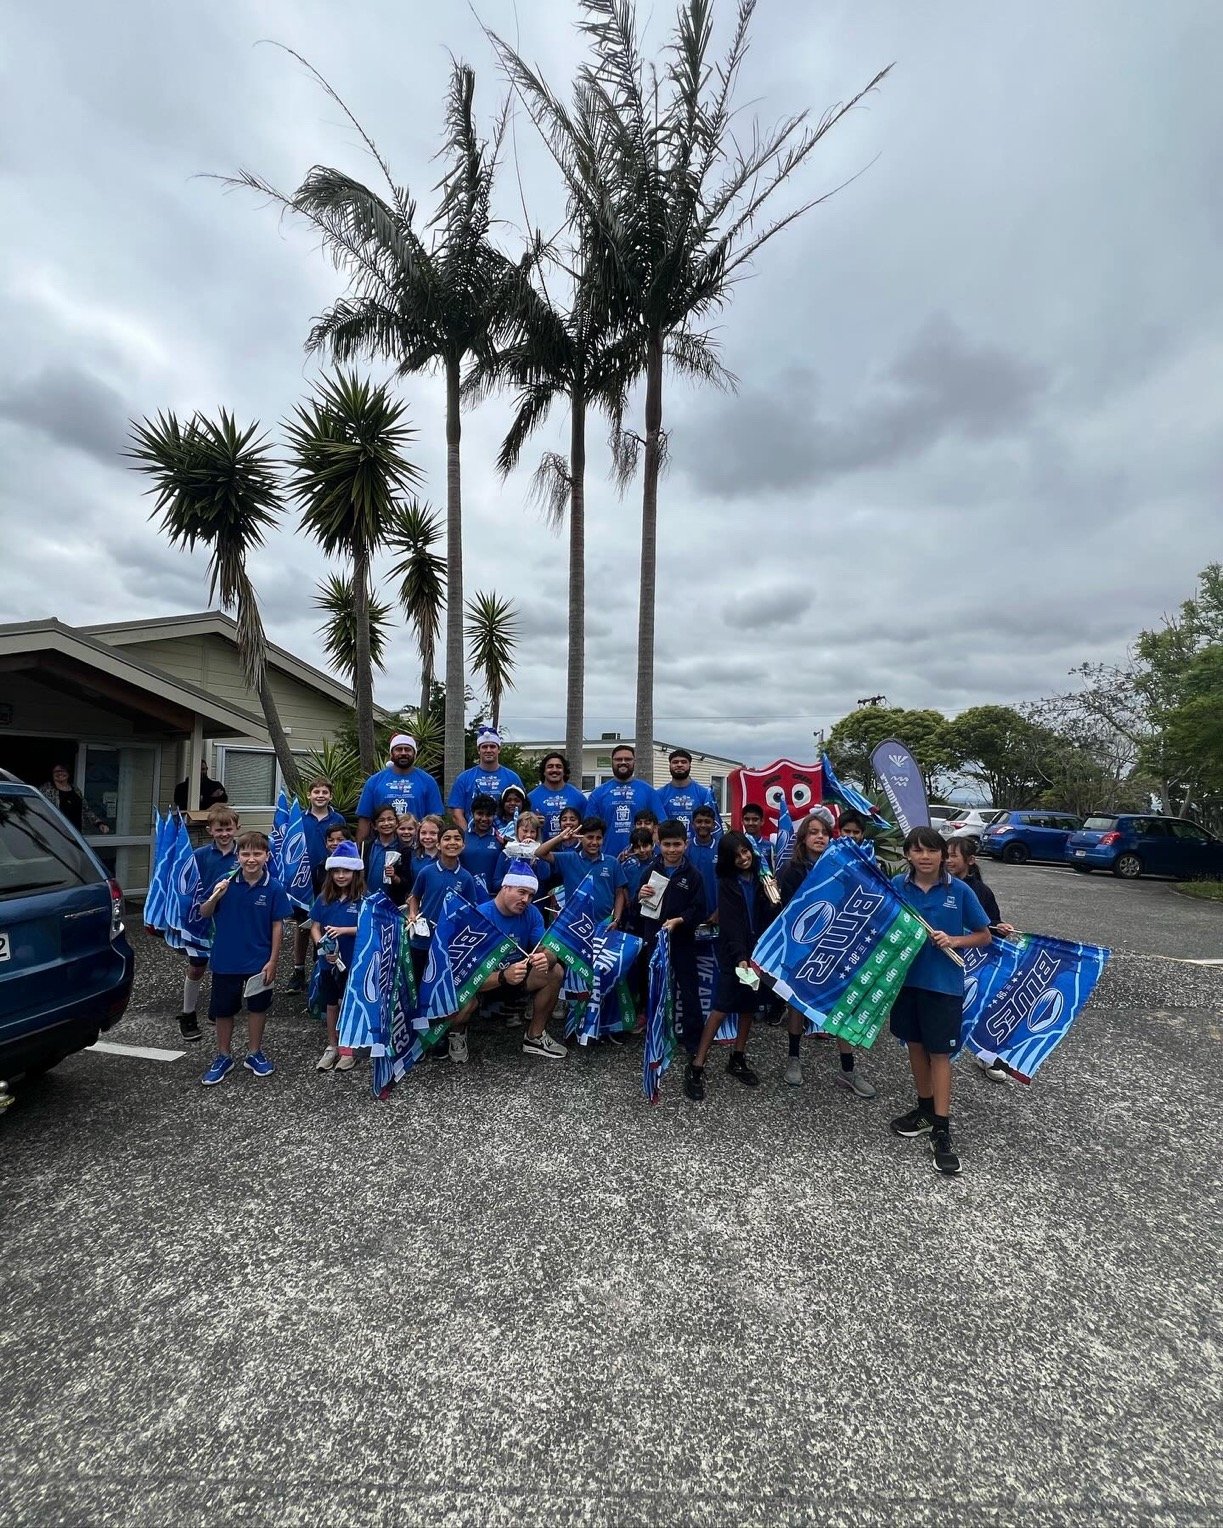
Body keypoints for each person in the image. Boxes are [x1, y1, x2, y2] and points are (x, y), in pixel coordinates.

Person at [888, 826, 993, 1176]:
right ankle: (924, 1109)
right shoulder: (897, 887)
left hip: (943, 987)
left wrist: (954, 941)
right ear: (908, 855)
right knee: (914, 1046)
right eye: (917, 850)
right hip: (905, 983)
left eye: (932, 850)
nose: (925, 857)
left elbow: (984, 935)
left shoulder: (959, 890)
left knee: (939, 1054)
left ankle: (942, 1128)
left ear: (942, 855)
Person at [778, 808, 876, 1098]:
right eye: (813, 833)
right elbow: (787, 912)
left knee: (840, 1004)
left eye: (824, 833)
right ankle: (793, 1057)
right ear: (803, 838)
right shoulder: (792, 871)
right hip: (803, 948)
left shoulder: (844, 866)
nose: (819, 837)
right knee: (796, 1003)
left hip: (837, 945)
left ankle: (848, 1069)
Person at [684, 832, 778, 1102]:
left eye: (746, 851)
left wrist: (773, 896)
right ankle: (697, 1065)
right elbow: (732, 923)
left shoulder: (762, 878)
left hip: (757, 954)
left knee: (749, 1006)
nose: (743, 858)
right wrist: (740, 957)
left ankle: (738, 1056)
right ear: (728, 859)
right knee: (721, 1007)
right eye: (736, 855)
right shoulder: (726, 883)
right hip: (735, 956)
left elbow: (770, 916)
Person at [445, 861, 566, 1063]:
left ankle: (535, 1037)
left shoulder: (532, 913)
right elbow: (464, 975)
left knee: (555, 972)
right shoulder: (480, 916)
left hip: (517, 975)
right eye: (521, 892)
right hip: (483, 981)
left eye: (530, 895)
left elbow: (549, 948)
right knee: (460, 999)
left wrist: (547, 958)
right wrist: (502, 976)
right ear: (505, 887)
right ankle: (457, 1033)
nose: (525, 900)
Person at [197, 830, 293, 1085]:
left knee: (258, 1008)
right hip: (226, 960)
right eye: (246, 854)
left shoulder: (273, 887)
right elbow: (204, 912)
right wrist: (215, 896)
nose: (251, 859)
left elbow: (277, 925)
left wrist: (273, 960)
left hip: (259, 960)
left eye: (257, 854)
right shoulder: (225, 882)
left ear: (267, 856)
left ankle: (254, 1053)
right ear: (237, 856)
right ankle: (223, 1055)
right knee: (223, 1010)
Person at [625, 819, 706, 1048]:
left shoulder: (693, 875)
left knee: (688, 988)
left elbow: (699, 908)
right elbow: (635, 909)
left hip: (682, 939)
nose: (672, 850)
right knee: (656, 987)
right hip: (655, 938)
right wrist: (639, 896)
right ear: (659, 844)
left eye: (677, 844)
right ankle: (657, 1033)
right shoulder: (649, 871)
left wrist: (681, 920)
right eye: (667, 844)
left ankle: (693, 1040)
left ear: (686, 844)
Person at [946, 834, 1018, 1084]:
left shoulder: (981, 891)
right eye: (946, 855)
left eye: (953, 856)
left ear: (970, 860)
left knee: (982, 1005)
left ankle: (986, 1056)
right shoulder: (937, 885)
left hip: (976, 960)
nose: (948, 860)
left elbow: (991, 922)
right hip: (945, 957)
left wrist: (1001, 927)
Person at [172, 803, 239, 1042]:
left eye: (228, 829)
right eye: (219, 829)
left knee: (226, 966)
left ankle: (217, 1008)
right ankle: (188, 1013)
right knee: (197, 966)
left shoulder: (243, 854)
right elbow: (186, 884)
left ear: (237, 828)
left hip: (232, 919)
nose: (224, 834)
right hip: (203, 919)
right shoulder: (200, 855)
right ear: (210, 830)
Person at [310, 841, 366, 1073]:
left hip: (353, 962)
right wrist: (322, 945)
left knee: (349, 1004)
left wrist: (344, 931)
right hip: (328, 962)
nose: (341, 876)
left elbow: (369, 928)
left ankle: (348, 1048)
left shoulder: (363, 899)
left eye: (346, 871)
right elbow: (315, 927)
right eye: (337, 871)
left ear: (355, 873)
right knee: (331, 1003)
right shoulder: (324, 898)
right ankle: (332, 1045)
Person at [289, 777, 348, 991]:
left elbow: (342, 844)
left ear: (331, 796)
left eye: (325, 792)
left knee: (325, 922)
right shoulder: (299, 818)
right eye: (316, 792)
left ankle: (320, 969)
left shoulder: (338, 818)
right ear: (309, 795)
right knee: (303, 925)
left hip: (330, 877)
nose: (320, 796)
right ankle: (298, 969)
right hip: (304, 879)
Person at [408, 822, 479, 983]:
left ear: (463, 845)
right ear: (438, 845)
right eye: (447, 838)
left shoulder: (466, 877)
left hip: (449, 940)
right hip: (423, 938)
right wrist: (412, 914)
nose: (452, 842)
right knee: (417, 980)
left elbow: (470, 909)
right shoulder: (426, 872)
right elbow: (415, 896)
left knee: (440, 981)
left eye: (457, 839)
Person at [355, 734, 443, 844]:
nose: (403, 753)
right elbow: (365, 819)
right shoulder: (374, 781)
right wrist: (359, 848)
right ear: (391, 754)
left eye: (408, 749)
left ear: (414, 754)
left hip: (417, 846)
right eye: (399, 749)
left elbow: (435, 819)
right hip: (383, 845)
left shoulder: (428, 781)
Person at [552, 817, 629, 928]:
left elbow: (619, 893)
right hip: (573, 926)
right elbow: (539, 853)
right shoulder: (569, 858)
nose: (594, 842)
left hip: (604, 925)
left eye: (599, 838)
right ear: (580, 838)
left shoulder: (612, 862)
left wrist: (616, 920)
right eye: (590, 837)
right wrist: (561, 837)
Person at [587, 744, 661, 858]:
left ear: (634, 762)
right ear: (612, 762)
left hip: (641, 858)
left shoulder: (648, 791)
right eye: (618, 759)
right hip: (607, 858)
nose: (623, 762)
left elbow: (659, 826)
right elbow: (589, 829)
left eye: (628, 759)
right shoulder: (598, 794)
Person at [447, 727, 524, 832]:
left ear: (499, 749)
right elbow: (457, 814)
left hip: (506, 837)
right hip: (474, 835)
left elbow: (523, 810)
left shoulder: (512, 778)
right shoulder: (463, 778)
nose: (488, 750)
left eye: (492, 746)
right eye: (484, 747)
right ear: (478, 750)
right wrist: (468, 836)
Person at [655, 748, 720, 835]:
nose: (679, 765)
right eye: (675, 762)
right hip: (670, 842)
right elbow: (657, 825)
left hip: (696, 842)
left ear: (690, 766)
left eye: (683, 762)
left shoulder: (704, 793)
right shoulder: (659, 794)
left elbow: (713, 826)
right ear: (669, 766)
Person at [528, 752, 588, 838]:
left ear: (564, 771)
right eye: (550, 766)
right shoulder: (531, 798)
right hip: (542, 846)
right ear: (544, 771)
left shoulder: (578, 797)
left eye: (558, 766)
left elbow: (587, 826)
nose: (554, 770)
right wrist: (533, 823)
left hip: (572, 846)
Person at [40, 764, 108, 834]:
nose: (60, 773)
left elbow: (86, 810)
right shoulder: (46, 789)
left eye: (63, 771)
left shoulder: (76, 790)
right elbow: (41, 810)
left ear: (68, 773)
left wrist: (99, 823)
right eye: (56, 771)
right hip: (57, 833)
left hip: (76, 833)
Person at [459, 793, 502, 896]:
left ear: (494, 816)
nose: (484, 818)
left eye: (488, 815)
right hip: (465, 895)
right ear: (472, 813)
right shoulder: (461, 837)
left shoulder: (500, 839)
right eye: (480, 814)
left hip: (492, 896)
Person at [687, 805, 720, 925]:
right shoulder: (686, 849)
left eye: (707, 821)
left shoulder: (722, 848)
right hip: (690, 913)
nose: (703, 825)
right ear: (692, 824)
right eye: (699, 821)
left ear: (714, 824)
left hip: (717, 912)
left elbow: (729, 882)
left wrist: (720, 911)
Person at [362, 804, 401, 894]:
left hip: (394, 899)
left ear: (397, 823)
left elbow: (407, 881)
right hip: (369, 898)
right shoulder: (366, 846)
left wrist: (394, 877)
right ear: (374, 826)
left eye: (390, 819)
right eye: (381, 820)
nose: (386, 823)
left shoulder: (403, 848)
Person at [383, 814, 420, 909]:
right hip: (393, 897)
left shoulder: (419, 851)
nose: (406, 832)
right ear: (396, 829)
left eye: (410, 829)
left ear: (416, 830)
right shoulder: (391, 849)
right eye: (402, 829)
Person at [740, 803, 773, 871]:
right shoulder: (737, 844)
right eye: (747, 819)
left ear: (762, 821)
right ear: (742, 821)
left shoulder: (770, 846)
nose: (750, 823)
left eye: (755, 819)